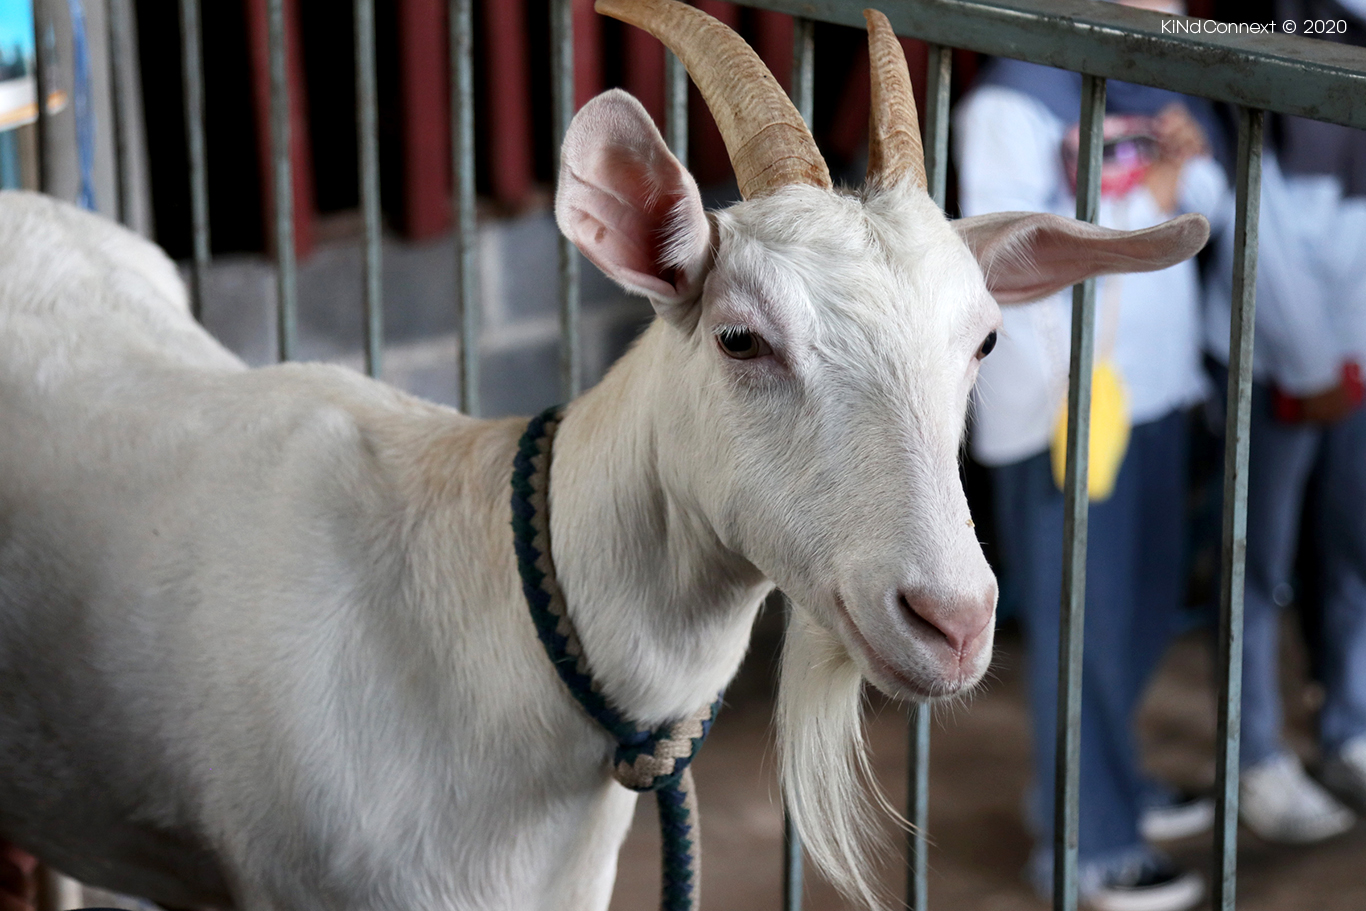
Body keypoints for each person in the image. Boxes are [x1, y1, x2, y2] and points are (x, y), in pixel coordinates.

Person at [953, 2, 1225, 907]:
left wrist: (1186, 166)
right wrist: (1047, 406)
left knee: (1144, 605)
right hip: (1066, 409)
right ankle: (1088, 843)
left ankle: (1094, 781)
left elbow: (1215, 209)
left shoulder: (1165, 79)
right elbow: (1001, 267)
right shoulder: (1012, 100)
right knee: (1086, 625)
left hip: (1154, 386)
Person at [1202, 0, 1366, 847]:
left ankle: (1350, 726)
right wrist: (1311, 366)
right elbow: (1257, 219)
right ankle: (1253, 753)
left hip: (1355, 357)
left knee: (1352, 552)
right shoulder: (1267, 18)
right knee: (1253, 568)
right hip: (1275, 361)